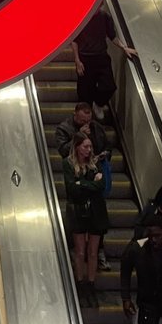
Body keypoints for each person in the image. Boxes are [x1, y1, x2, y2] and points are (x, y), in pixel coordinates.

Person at [55, 102, 113, 271]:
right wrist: (78, 136)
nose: (85, 123)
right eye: (81, 120)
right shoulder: (64, 129)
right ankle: (74, 251)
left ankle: (97, 252)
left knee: (97, 216)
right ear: (75, 114)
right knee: (79, 219)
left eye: (87, 119)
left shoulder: (96, 128)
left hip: (94, 172)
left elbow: (107, 145)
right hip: (78, 176)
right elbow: (63, 150)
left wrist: (105, 154)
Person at [62, 131, 109, 306]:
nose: (89, 150)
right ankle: (80, 283)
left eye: (90, 146)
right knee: (80, 251)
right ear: (77, 147)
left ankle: (91, 283)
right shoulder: (68, 164)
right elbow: (72, 189)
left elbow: (101, 185)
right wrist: (90, 184)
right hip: (78, 211)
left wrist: (82, 183)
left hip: (96, 211)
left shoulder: (95, 165)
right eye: (86, 146)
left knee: (92, 251)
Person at [72, 1, 138, 120]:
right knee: (84, 93)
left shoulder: (104, 17)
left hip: (101, 56)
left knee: (109, 86)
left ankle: (98, 104)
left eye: (99, 6)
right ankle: (85, 122)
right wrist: (77, 60)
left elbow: (112, 36)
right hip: (85, 58)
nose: (96, 8)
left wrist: (124, 47)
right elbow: (74, 40)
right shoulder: (81, 17)